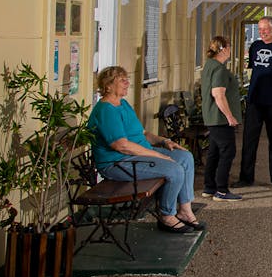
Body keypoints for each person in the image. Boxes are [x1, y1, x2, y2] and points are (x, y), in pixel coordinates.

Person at [87, 66, 204, 233]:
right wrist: (157, 155)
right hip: (117, 162)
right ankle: (167, 215)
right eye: (122, 80)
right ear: (108, 85)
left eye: (127, 79)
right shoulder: (106, 110)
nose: (127, 83)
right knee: (174, 170)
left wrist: (164, 141)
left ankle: (185, 211)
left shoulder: (123, 104)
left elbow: (142, 133)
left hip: (140, 154)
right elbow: (122, 146)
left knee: (185, 157)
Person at [236, 16, 272, 191]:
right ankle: (246, 177)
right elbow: (254, 70)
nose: (262, 32)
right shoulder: (255, 46)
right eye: (260, 29)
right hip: (254, 100)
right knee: (249, 140)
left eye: (265, 29)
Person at [200, 36, 243, 201]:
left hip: (211, 117)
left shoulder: (209, 66)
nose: (230, 51)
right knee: (228, 151)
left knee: (214, 152)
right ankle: (222, 190)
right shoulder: (219, 69)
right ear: (223, 49)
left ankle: (209, 187)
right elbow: (218, 94)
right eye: (229, 48)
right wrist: (230, 116)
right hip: (220, 119)